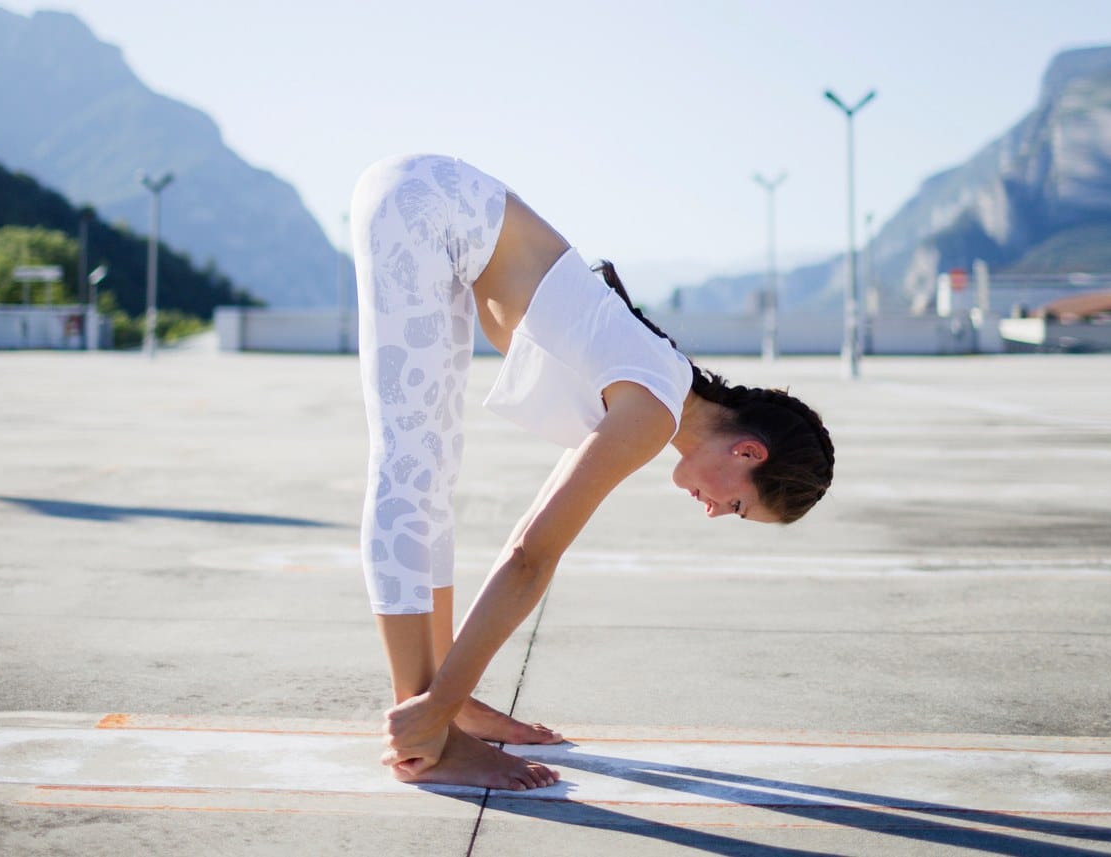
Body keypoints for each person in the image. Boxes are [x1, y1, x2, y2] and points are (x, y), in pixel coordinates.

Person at [350, 154, 834, 792]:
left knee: (429, 471)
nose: (716, 514)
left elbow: (528, 540)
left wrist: (451, 695)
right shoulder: (653, 409)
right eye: (739, 507)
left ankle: (447, 707)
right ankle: (430, 733)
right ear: (748, 454)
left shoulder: (659, 387)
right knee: (411, 461)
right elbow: (530, 557)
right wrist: (435, 711)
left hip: (436, 208)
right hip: (431, 209)